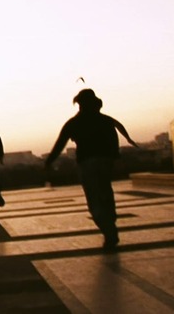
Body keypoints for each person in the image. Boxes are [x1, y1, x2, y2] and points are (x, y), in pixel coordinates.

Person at [44, 89, 138, 251]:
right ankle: (110, 224)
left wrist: (49, 162)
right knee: (106, 193)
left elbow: (60, 143)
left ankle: (108, 230)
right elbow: (113, 139)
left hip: (87, 163)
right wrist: (115, 158)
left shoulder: (74, 123)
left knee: (94, 199)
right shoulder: (105, 120)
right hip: (105, 162)